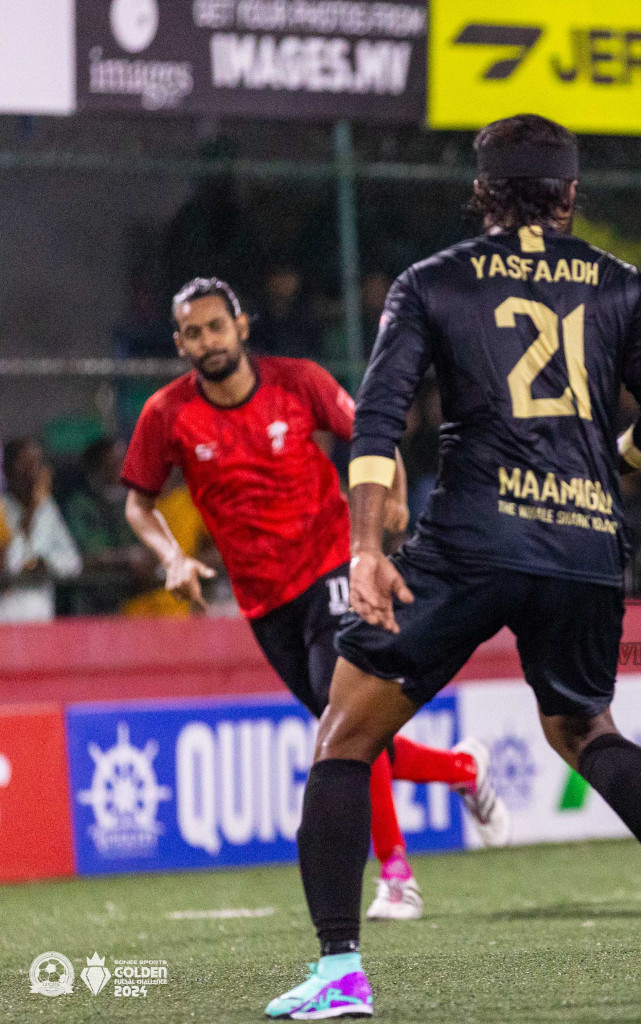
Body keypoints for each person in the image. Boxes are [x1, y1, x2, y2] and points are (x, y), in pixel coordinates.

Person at [266, 114, 641, 1019]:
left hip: (472, 537)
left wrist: (367, 548)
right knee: (586, 731)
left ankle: (339, 974)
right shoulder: (621, 284)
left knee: (344, 738)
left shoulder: (433, 282)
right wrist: (612, 470)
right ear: (570, 195)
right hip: (583, 540)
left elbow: (379, 424)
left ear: (483, 194)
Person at [120, 277, 508, 930]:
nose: (206, 340)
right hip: (263, 601)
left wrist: (393, 495)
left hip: (334, 568)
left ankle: (396, 878)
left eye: (217, 326)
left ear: (242, 327)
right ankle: (463, 768)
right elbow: (139, 501)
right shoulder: (166, 414)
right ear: (179, 342)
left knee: (343, 715)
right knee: (348, 737)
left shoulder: (297, 381)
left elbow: (372, 436)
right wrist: (173, 556)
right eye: (192, 331)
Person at [62, 438, 160, 614]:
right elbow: (83, 557)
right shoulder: (79, 506)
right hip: (91, 606)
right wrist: (126, 558)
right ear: (98, 466)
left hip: (133, 605)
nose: (124, 467)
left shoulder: (136, 504)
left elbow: (155, 549)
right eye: (115, 462)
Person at [0, 438, 82, 622]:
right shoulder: (1, 509)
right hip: (5, 616)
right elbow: (11, 564)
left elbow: (73, 563)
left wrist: (47, 564)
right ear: (7, 470)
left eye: (37, 463)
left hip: (41, 616)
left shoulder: (47, 509)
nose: (32, 471)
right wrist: (27, 518)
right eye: (26, 464)